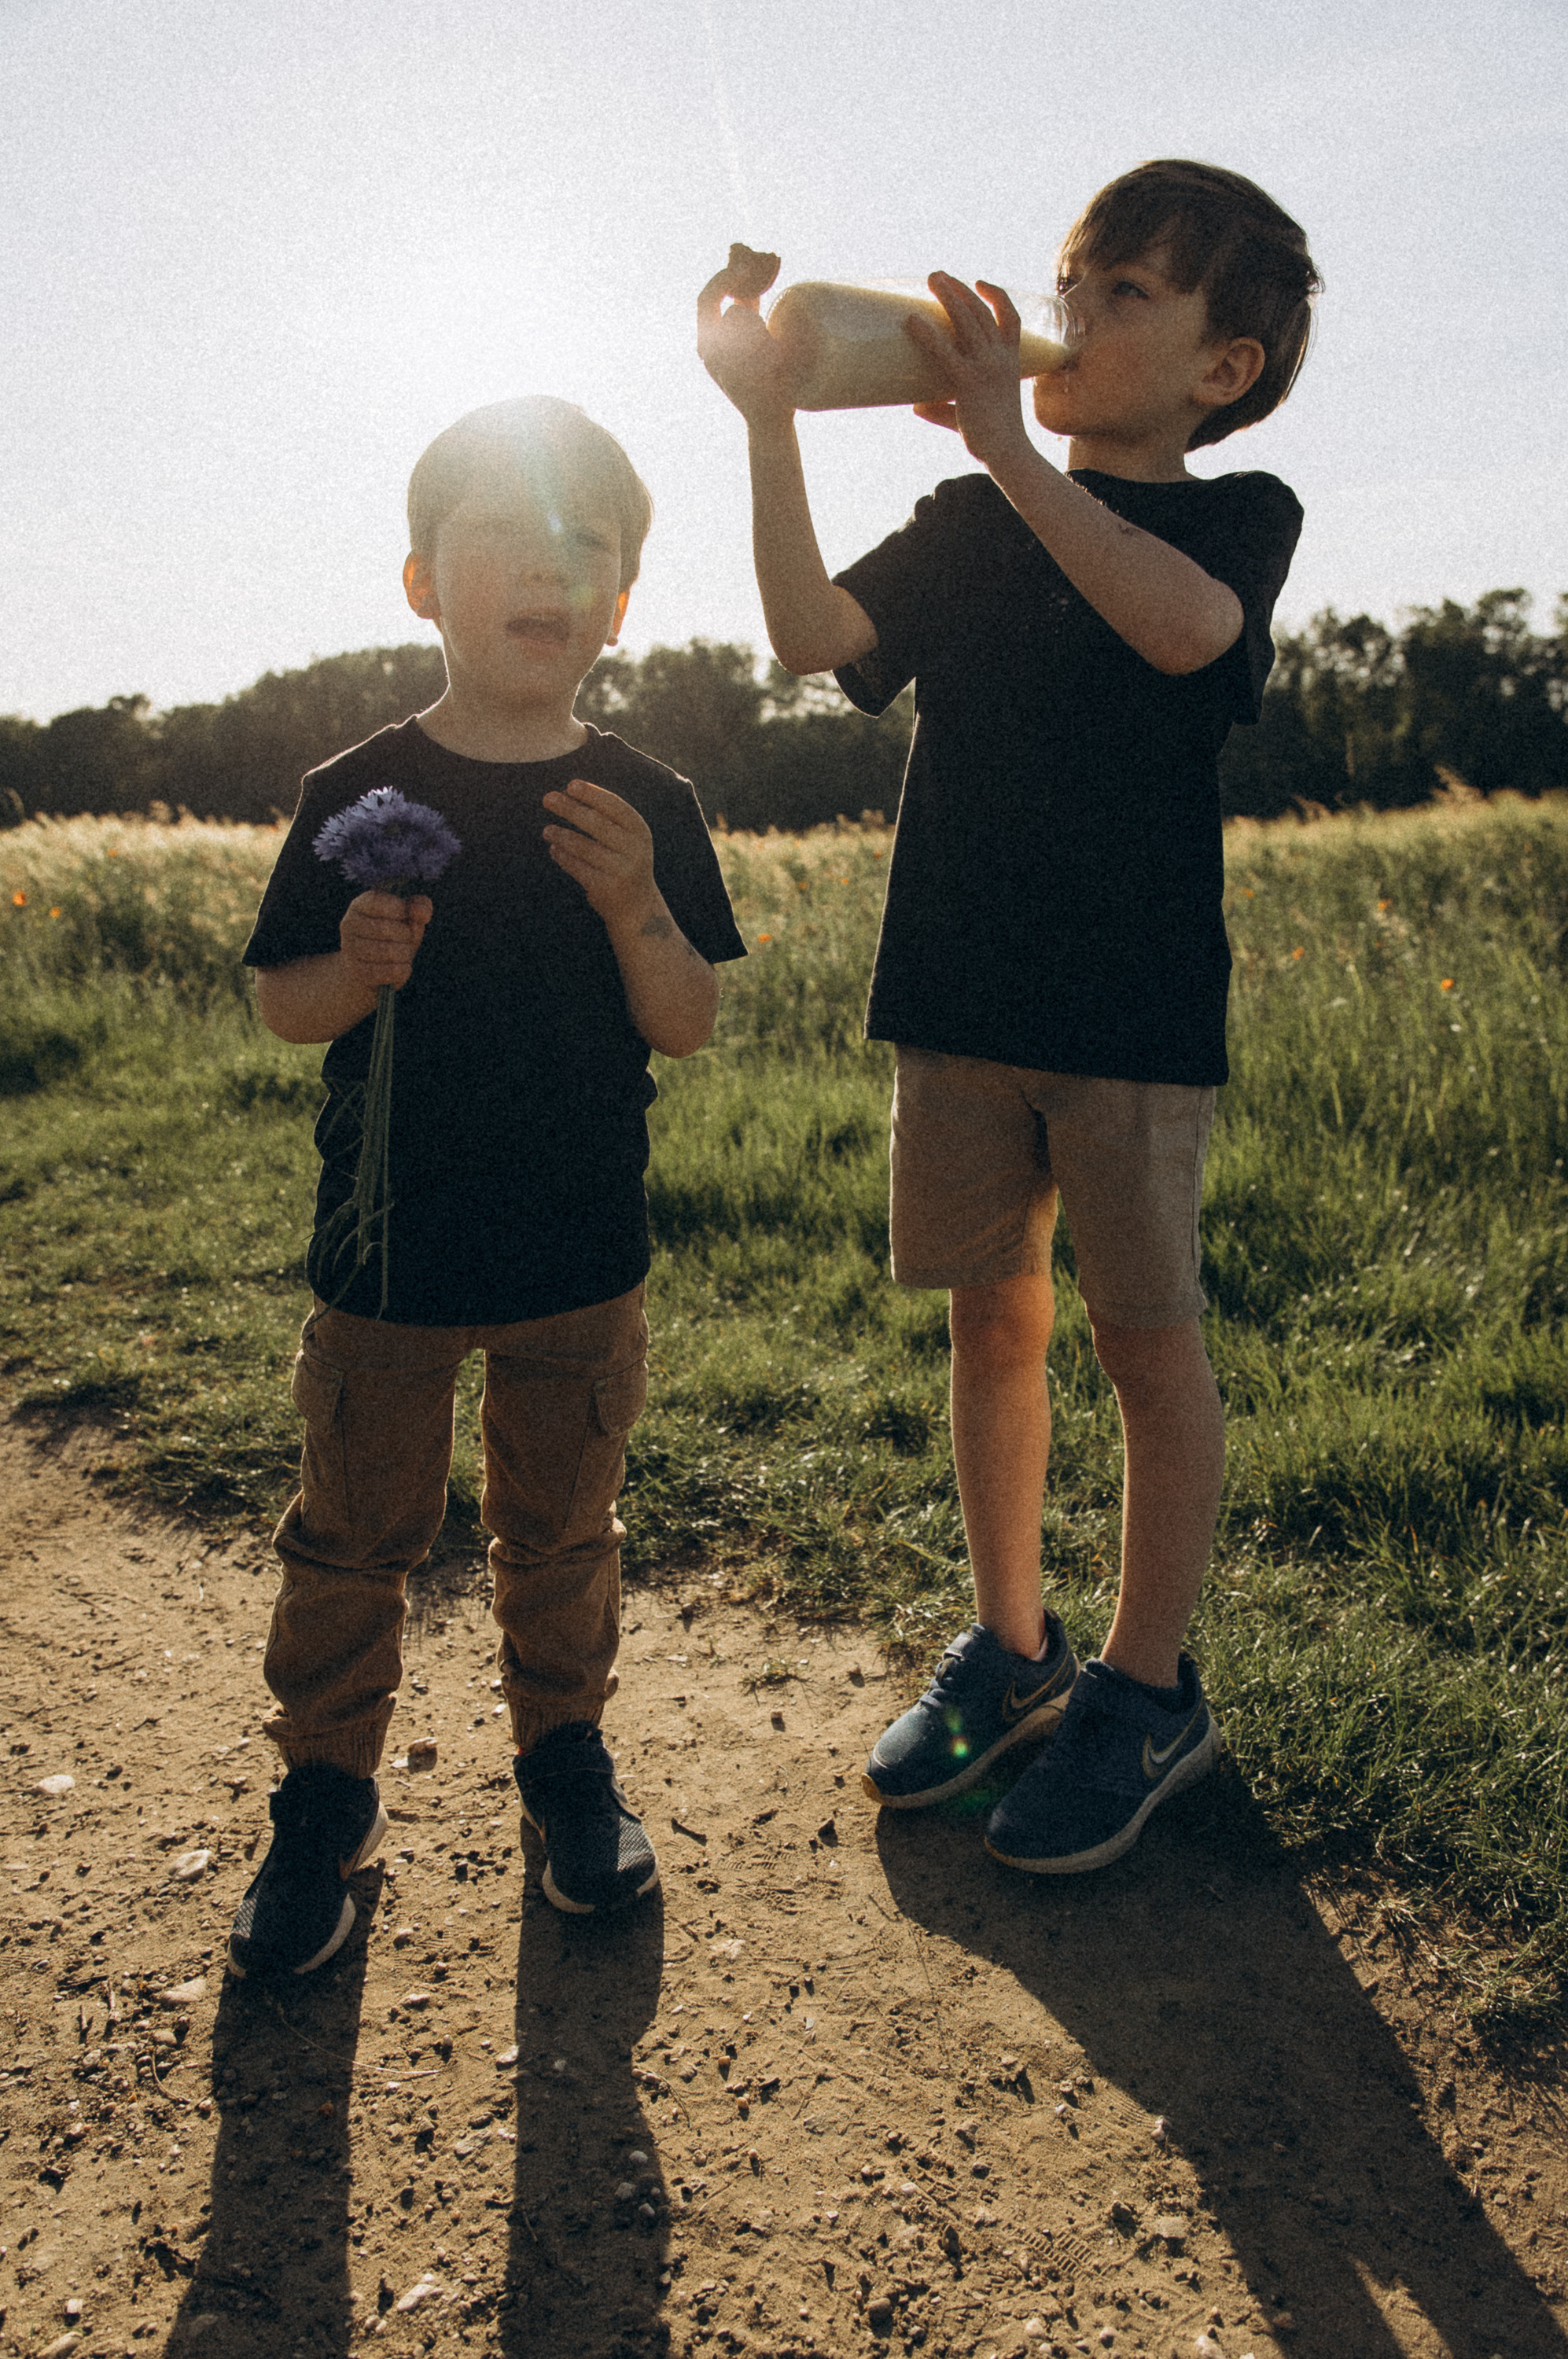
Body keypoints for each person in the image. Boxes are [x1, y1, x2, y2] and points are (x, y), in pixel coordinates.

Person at [698, 161, 1319, 1873]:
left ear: (1222, 369)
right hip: (959, 991)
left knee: (1145, 1346)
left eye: (1125, 293)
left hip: (1129, 1014)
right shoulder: (971, 518)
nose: (1070, 315)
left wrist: (1006, 447)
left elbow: (1184, 635)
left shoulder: (1234, 517)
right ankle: (1014, 1641)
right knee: (992, 1325)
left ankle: (1147, 1686)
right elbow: (809, 635)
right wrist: (769, 423)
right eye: (1071, 282)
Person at [230, 397, 746, 1974]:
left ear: (621, 604)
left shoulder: (647, 804)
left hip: (579, 1253)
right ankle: (323, 1796)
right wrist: (355, 963)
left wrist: (635, 902)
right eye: (505, 537)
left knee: (562, 1532)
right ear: (421, 585)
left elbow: (688, 1020)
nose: (548, 570)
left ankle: (565, 1764)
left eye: (584, 546)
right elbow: (283, 1004)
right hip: (386, 1252)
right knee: (352, 1536)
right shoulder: (356, 789)